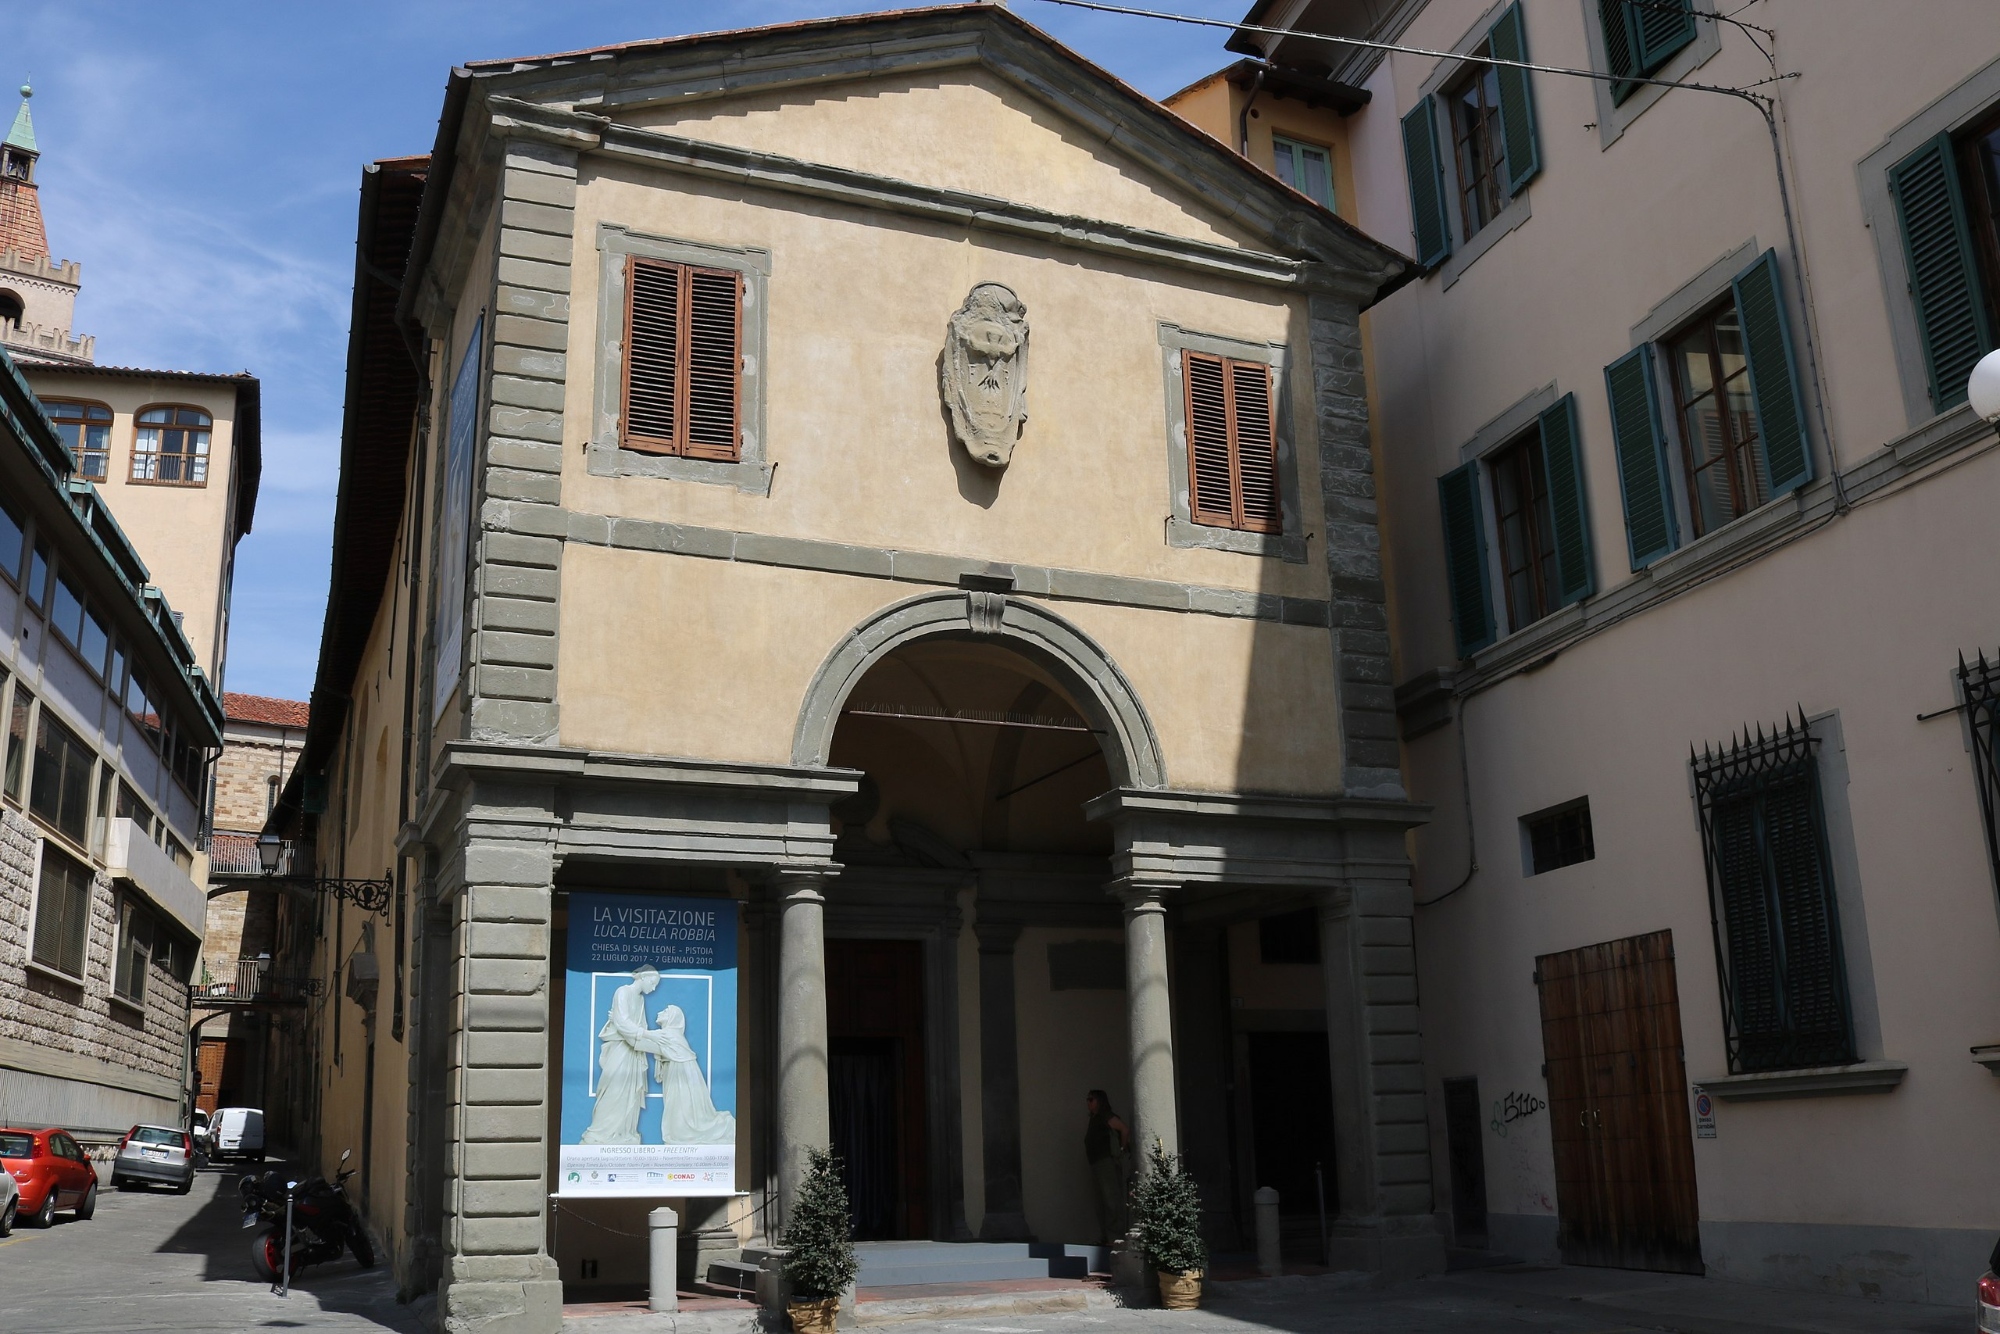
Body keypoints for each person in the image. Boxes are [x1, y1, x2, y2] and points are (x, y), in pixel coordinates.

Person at [580, 967, 664, 1144]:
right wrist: (646, 1034)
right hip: (621, 1049)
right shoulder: (623, 992)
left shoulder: (640, 1000)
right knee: (614, 1089)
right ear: (644, 977)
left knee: (630, 1094)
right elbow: (622, 1022)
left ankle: (624, 1132)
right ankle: (599, 1133)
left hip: (634, 1052)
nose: (654, 988)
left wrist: (646, 1036)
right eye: (653, 983)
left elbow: (640, 1026)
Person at [650, 1004, 737, 1144]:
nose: (660, 1012)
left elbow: (640, 1040)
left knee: (681, 1112)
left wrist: (621, 1025)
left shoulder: (668, 1034)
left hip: (681, 1075)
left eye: (665, 1011)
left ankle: (707, 1130)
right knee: (680, 1110)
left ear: (672, 1017)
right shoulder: (671, 1034)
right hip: (680, 1072)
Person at [1084, 1089, 1130, 1246]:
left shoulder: (1106, 1116)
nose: (1088, 1103)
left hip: (1106, 1162)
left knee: (1112, 1200)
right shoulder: (1095, 1119)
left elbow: (1124, 1129)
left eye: (1091, 1099)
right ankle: (1106, 1236)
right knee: (1100, 1202)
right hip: (1096, 1163)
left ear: (1099, 1101)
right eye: (1087, 1100)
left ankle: (1115, 1238)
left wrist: (1122, 1150)